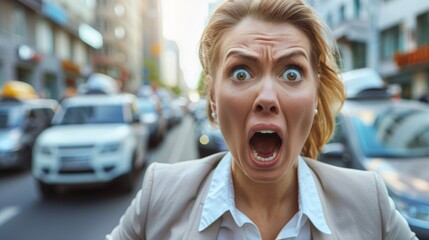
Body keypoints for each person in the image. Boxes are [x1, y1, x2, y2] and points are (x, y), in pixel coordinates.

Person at [107, 0, 417, 239]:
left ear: (314, 96)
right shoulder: (158, 195)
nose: (267, 97)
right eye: (241, 72)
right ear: (213, 96)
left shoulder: (369, 202)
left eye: (291, 72)